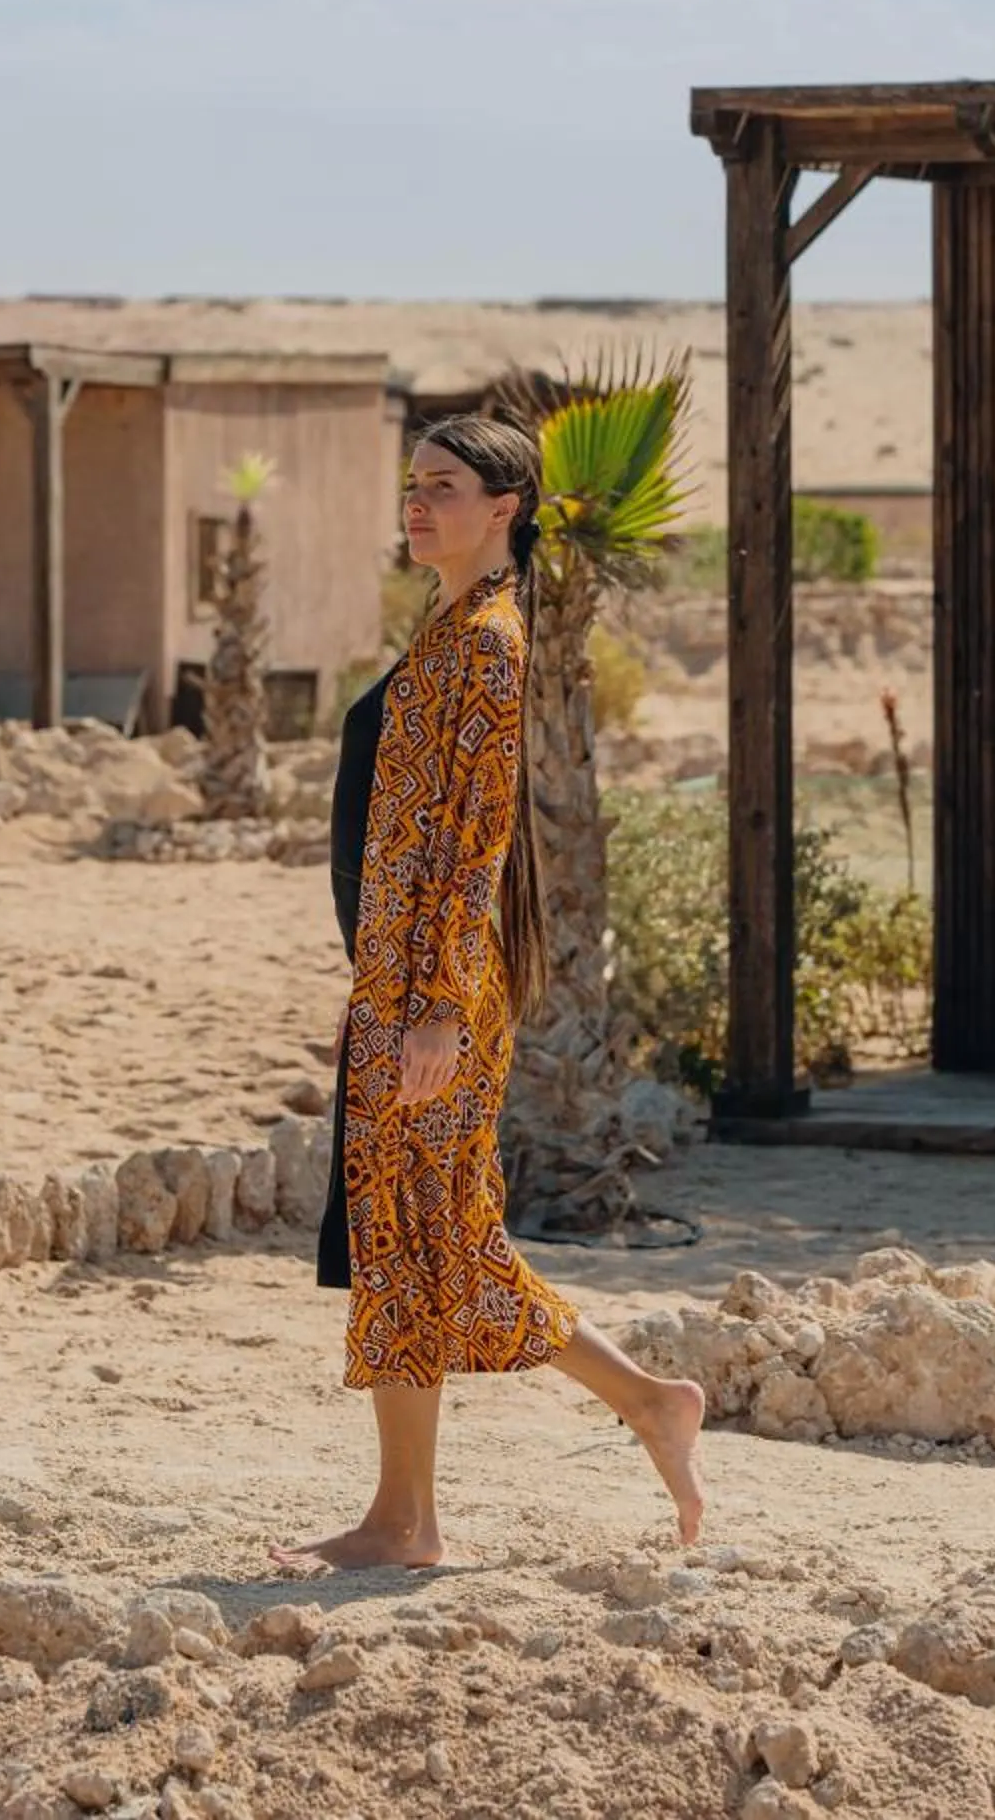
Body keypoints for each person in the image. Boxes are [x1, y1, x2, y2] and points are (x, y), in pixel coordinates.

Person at [271, 413, 705, 1572]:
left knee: (424, 1240)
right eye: (411, 486)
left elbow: (473, 842)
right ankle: (417, 1510)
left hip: (431, 989)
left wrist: (437, 1010)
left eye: (444, 487)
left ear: (504, 505)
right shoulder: (451, 622)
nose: (417, 505)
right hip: (399, 977)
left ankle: (416, 1514)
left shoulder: (490, 643)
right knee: (420, 1243)